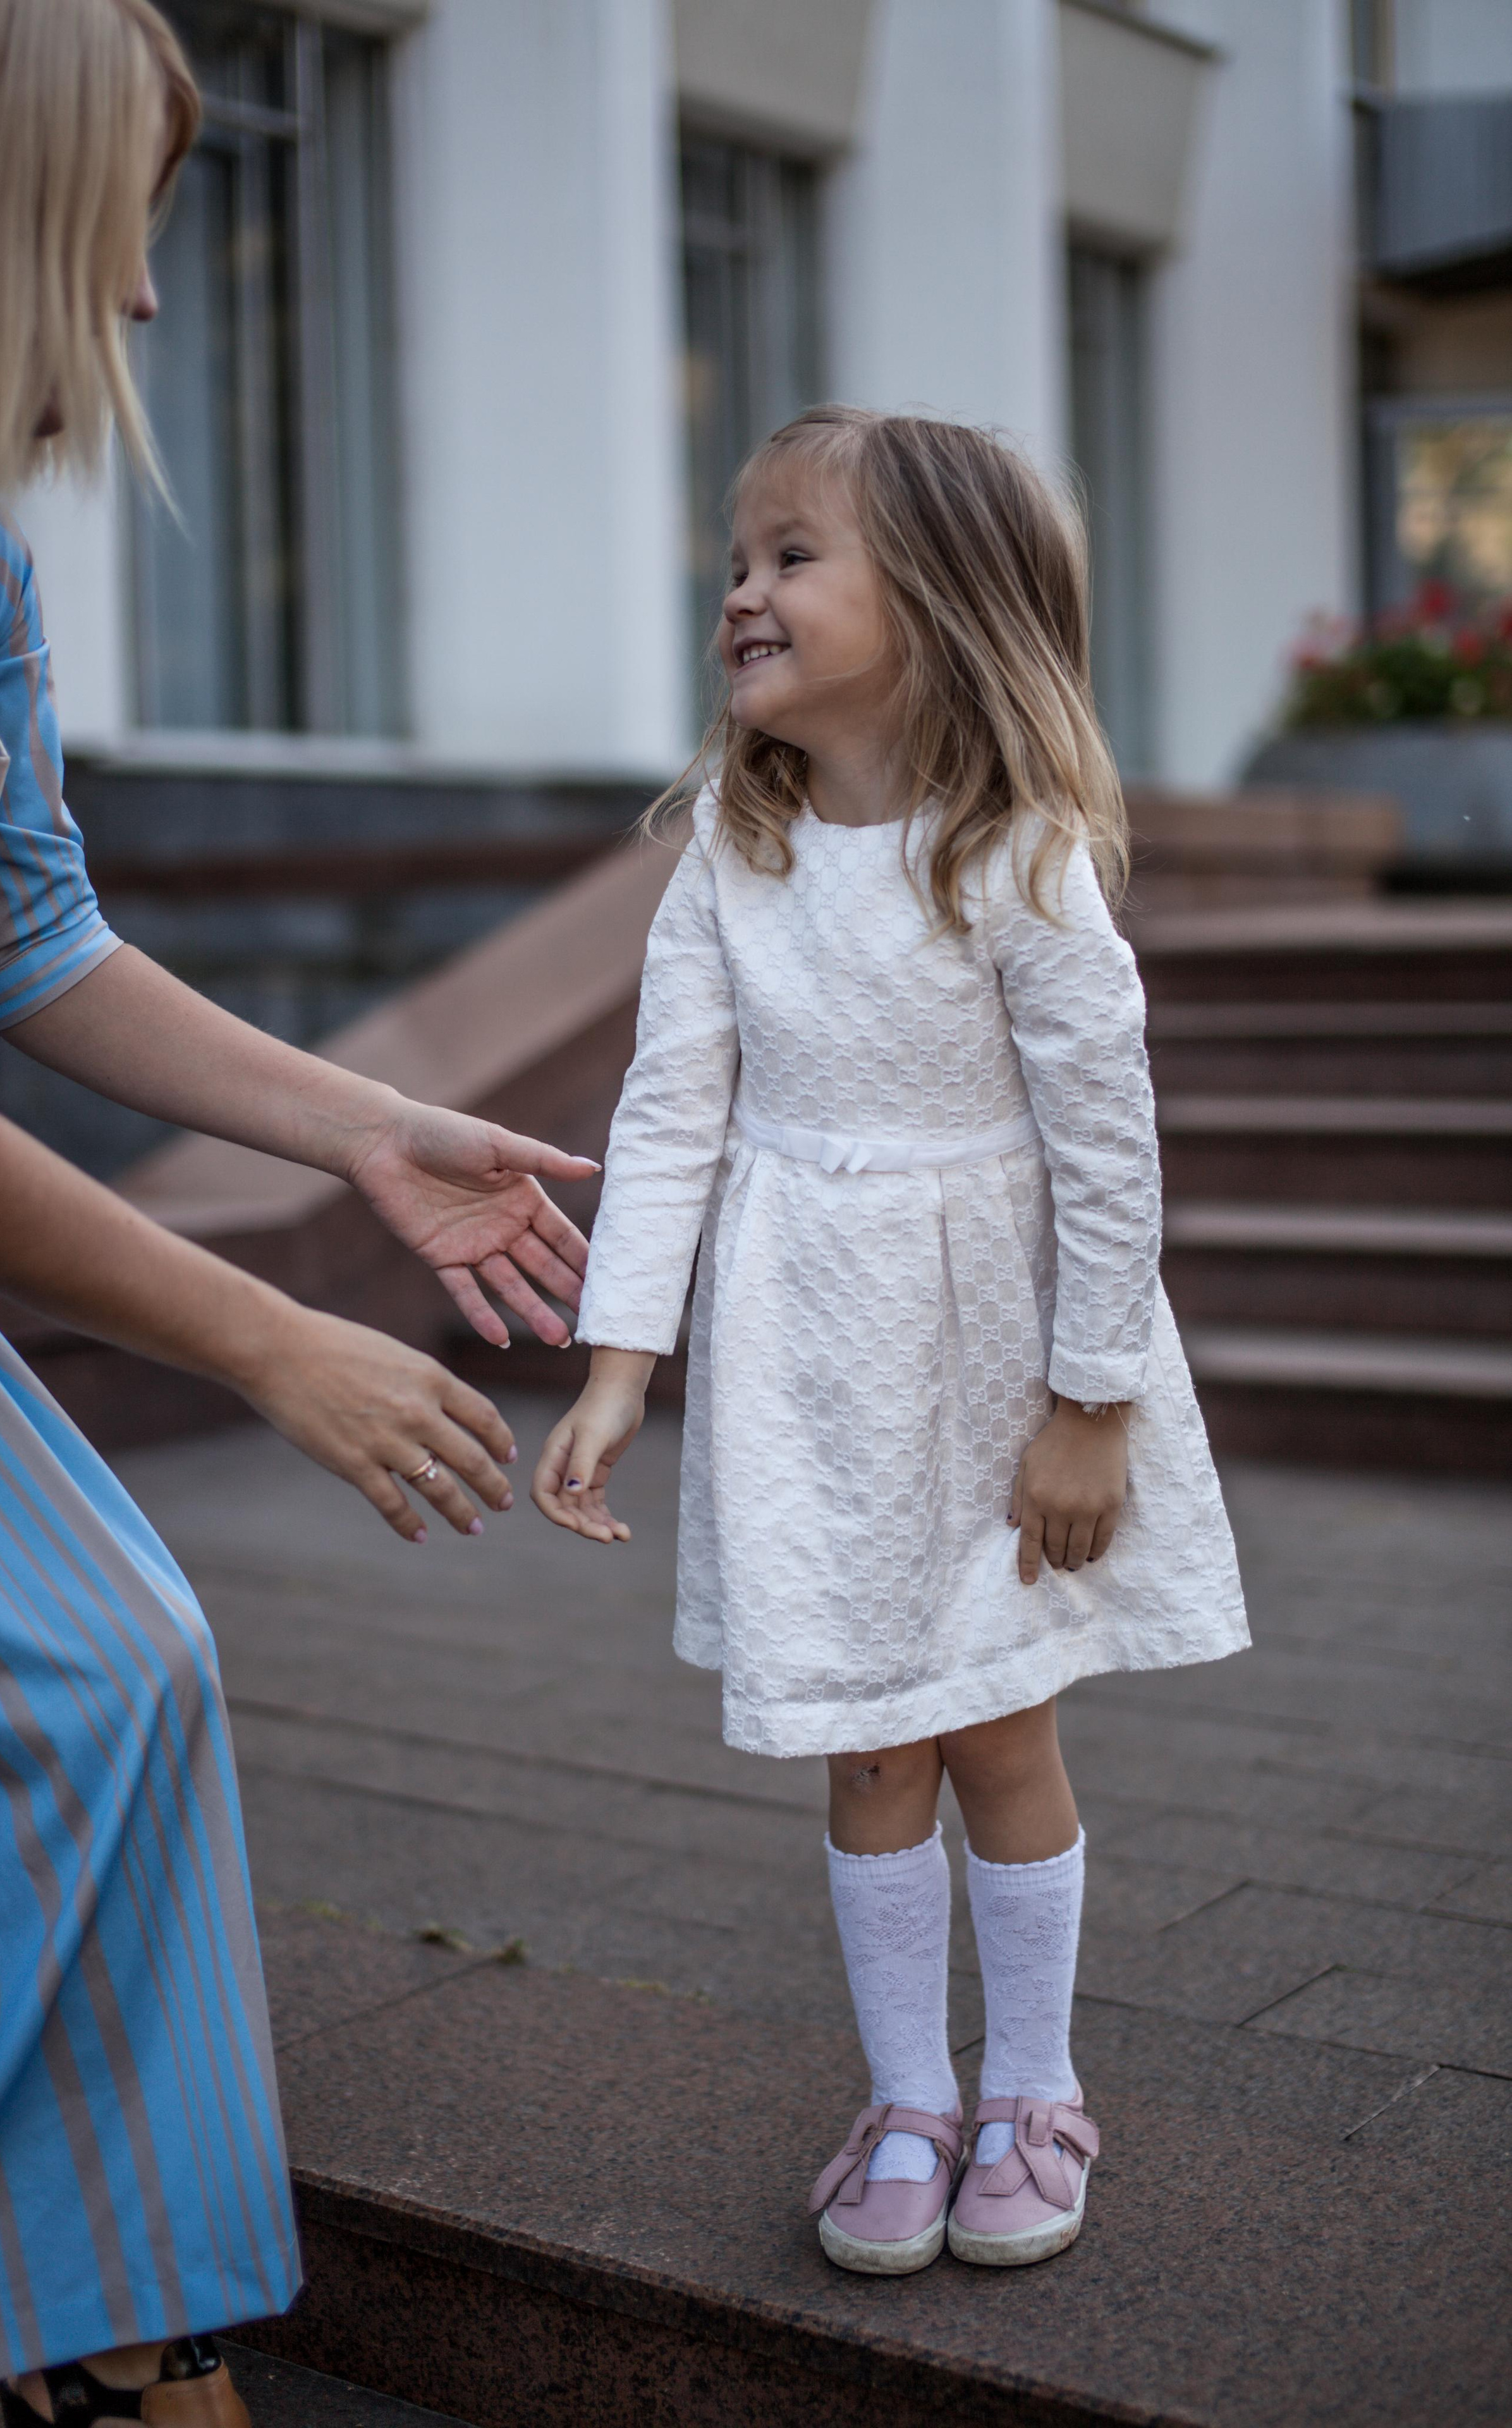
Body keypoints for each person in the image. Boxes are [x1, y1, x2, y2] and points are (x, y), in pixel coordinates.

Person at [0, 1, 595, 2416]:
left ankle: (106, 2336)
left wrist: (365, 1133)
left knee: (99, 1674)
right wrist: (268, 1339)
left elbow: (21, 939)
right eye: (132, 226)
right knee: (82, 1670)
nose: (164, 302)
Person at [533, 406, 1249, 2278]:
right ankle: (906, 2096)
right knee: (863, 1739)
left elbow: (1110, 1150)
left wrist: (1091, 1403)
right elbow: (672, 1109)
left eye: (790, 557)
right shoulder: (727, 854)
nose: (741, 591)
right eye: (740, 557)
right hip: (810, 1360)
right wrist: (620, 1364)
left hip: (1001, 1360)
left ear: (933, 604)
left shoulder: (1018, 856)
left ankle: (1032, 2079)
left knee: (1001, 1718)